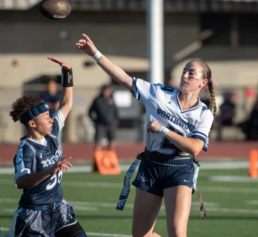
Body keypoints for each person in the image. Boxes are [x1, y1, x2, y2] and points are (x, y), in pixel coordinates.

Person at [76, 34, 216, 237]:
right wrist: (95, 54)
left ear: (203, 83)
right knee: (141, 235)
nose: (185, 76)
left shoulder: (204, 113)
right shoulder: (159, 93)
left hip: (179, 168)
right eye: (184, 71)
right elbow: (123, 78)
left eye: (191, 74)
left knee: (177, 232)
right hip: (150, 165)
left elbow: (195, 148)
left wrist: (162, 129)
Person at [0, 58, 88, 237]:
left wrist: (67, 73)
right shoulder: (26, 149)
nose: (51, 118)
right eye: (45, 116)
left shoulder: (53, 132)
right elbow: (20, 181)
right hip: (35, 216)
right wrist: (50, 170)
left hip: (60, 210)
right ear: (32, 123)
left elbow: (67, 104)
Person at [88, 83, 118, 151]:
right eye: (106, 90)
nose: (107, 92)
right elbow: (90, 112)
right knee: (98, 142)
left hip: (111, 124)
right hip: (100, 124)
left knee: (112, 142)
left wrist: (115, 121)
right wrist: (95, 121)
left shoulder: (112, 99)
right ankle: (97, 160)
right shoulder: (97, 100)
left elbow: (116, 111)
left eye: (109, 90)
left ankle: (110, 159)